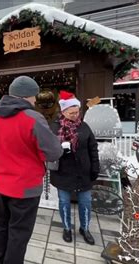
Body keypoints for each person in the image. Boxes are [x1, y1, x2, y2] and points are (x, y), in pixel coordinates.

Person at [0, 76, 63, 264]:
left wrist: (2, 161)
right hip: (25, 188)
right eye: (34, 97)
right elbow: (54, 152)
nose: (35, 101)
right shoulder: (33, 118)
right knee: (19, 233)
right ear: (27, 96)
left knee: (1, 226)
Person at [49, 90, 100, 245]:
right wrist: (60, 149)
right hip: (63, 172)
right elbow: (48, 148)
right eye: (71, 113)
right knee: (64, 202)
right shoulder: (54, 127)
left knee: (85, 203)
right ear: (63, 111)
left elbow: (93, 147)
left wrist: (95, 167)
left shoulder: (84, 126)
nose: (75, 115)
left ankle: (84, 229)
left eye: (77, 112)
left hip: (83, 172)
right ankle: (66, 228)